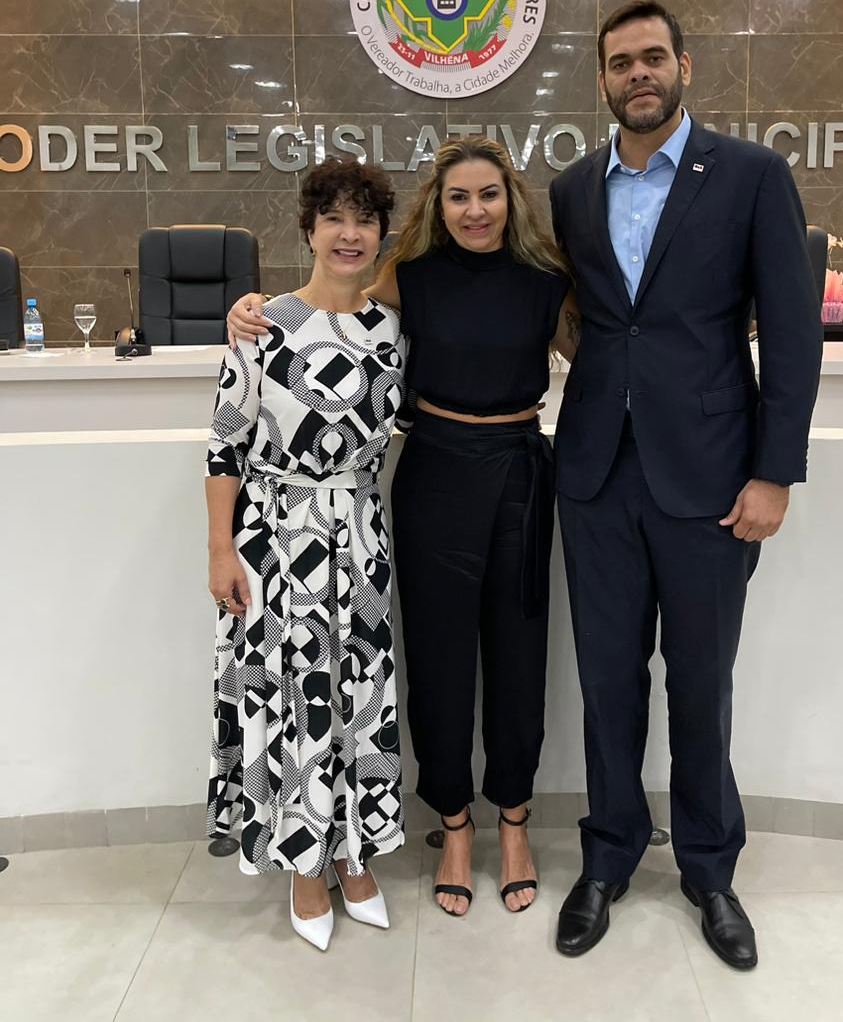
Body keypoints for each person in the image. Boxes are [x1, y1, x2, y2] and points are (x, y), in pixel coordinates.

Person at [228, 136, 579, 918]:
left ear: (511, 199)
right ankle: (454, 825)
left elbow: (601, 351)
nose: (475, 210)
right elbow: (332, 301)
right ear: (437, 206)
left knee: (520, 659)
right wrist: (252, 309)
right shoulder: (408, 277)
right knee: (441, 660)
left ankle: (513, 824)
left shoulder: (547, 280)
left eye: (488, 194)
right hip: (437, 474)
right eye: (459, 196)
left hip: (520, 475)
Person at [550, 1, 822, 967]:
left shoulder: (750, 175)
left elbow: (791, 331)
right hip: (594, 475)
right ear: (601, 79)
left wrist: (775, 473)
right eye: (621, 61)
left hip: (711, 480)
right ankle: (610, 855)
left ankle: (710, 869)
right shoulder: (571, 188)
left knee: (702, 683)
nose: (639, 73)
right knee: (606, 680)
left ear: (684, 67)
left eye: (653, 57)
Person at [206, 157, 406, 953]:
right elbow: (224, 445)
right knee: (294, 695)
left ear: (381, 233)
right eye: (334, 219)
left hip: (360, 533)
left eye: (364, 219)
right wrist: (220, 551)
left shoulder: (393, 331)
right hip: (274, 537)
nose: (349, 234)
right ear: (309, 230)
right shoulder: (264, 324)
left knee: (360, 694)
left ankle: (354, 852)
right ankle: (302, 861)